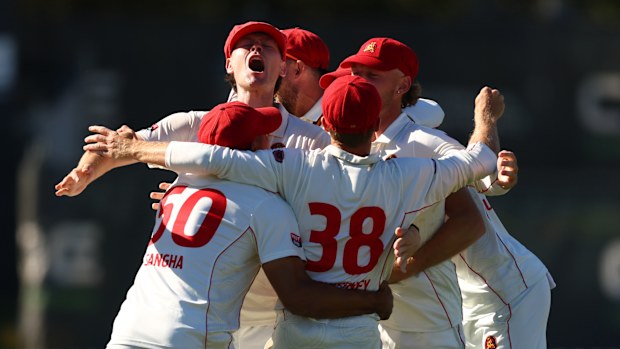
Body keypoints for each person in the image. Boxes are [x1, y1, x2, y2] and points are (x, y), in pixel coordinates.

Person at [83, 75, 506, 348]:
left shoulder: (294, 168)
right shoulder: (407, 175)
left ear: (325, 126)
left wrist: (135, 149)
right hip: (356, 332)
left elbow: (217, 160)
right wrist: (485, 118)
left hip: (294, 335)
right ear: (376, 119)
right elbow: (481, 160)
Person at [104, 100, 396, 348]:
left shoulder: (178, 187)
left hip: (128, 332)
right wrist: (373, 302)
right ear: (256, 145)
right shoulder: (266, 207)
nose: (271, 139)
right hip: (192, 338)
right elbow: (298, 298)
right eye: (265, 134)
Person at [337, 37, 553, 348]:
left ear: (401, 86)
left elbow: (482, 174)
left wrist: (493, 150)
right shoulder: (361, 142)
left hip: (504, 291)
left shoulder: (419, 141)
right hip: (462, 300)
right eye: (357, 73)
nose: (360, 82)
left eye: (373, 75)